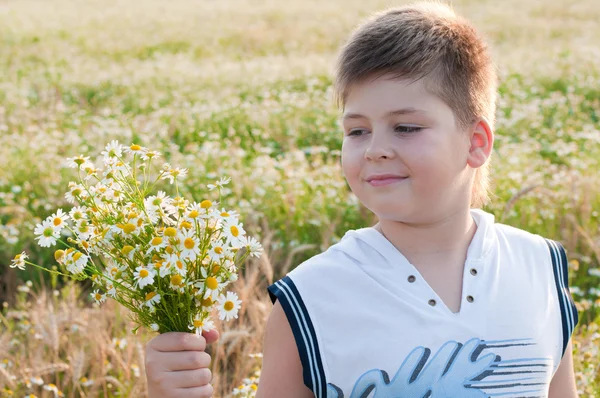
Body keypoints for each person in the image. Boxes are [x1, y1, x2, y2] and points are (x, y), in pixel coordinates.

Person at [144, 1, 580, 397]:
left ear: (476, 142)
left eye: (405, 127)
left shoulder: (539, 266)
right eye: (357, 130)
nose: (374, 149)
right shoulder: (309, 299)